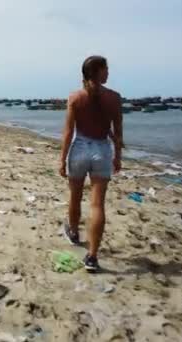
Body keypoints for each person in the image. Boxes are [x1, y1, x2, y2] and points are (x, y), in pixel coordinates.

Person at [59, 55, 123, 272]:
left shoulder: (75, 97)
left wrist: (62, 159)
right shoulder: (114, 98)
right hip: (102, 151)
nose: (108, 73)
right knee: (97, 204)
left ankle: (75, 232)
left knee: (75, 196)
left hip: (80, 149)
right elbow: (117, 131)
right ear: (96, 72)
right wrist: (118, 156)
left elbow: (68, 131)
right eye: (106, 69)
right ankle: (92, 256)